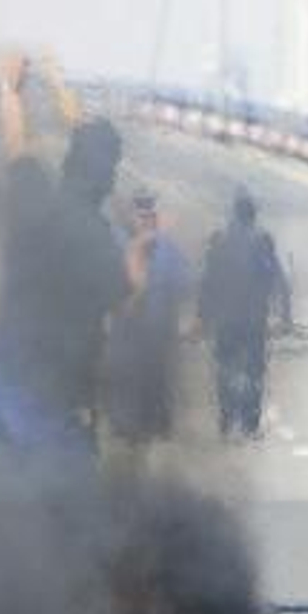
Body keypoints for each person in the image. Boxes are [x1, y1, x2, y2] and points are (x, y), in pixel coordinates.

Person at [0, 55, 129, 464]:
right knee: (64, 518)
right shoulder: (99, 239)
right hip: (56, 399)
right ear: (109, 177)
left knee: (0, 511)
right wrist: (144, 253)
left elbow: (16, 145)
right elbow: (125, 302)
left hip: (5, 386)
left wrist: (10, 89)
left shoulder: (34, 200)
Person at [197, 189, 291, 440]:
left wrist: (202, 315)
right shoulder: (262, 240)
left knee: (225, 368)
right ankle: (249, 423)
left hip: (225, 318)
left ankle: (227, 420)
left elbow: (206, 281)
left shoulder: (218, 240)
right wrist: (284, 314)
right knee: (253, 370)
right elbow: (277, 277)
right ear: (253, 214)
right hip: (253, 319)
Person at [103, 189, 193, 445]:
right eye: (141, 217)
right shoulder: (120, 243)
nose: (146, 222)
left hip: (157, 326)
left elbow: (186, 283)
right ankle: (126, 425)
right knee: (127, 375)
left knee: (156, 376)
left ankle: (154, 424)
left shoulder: (167, 248)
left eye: (150, 217)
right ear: (133, 218)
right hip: (128, 324)